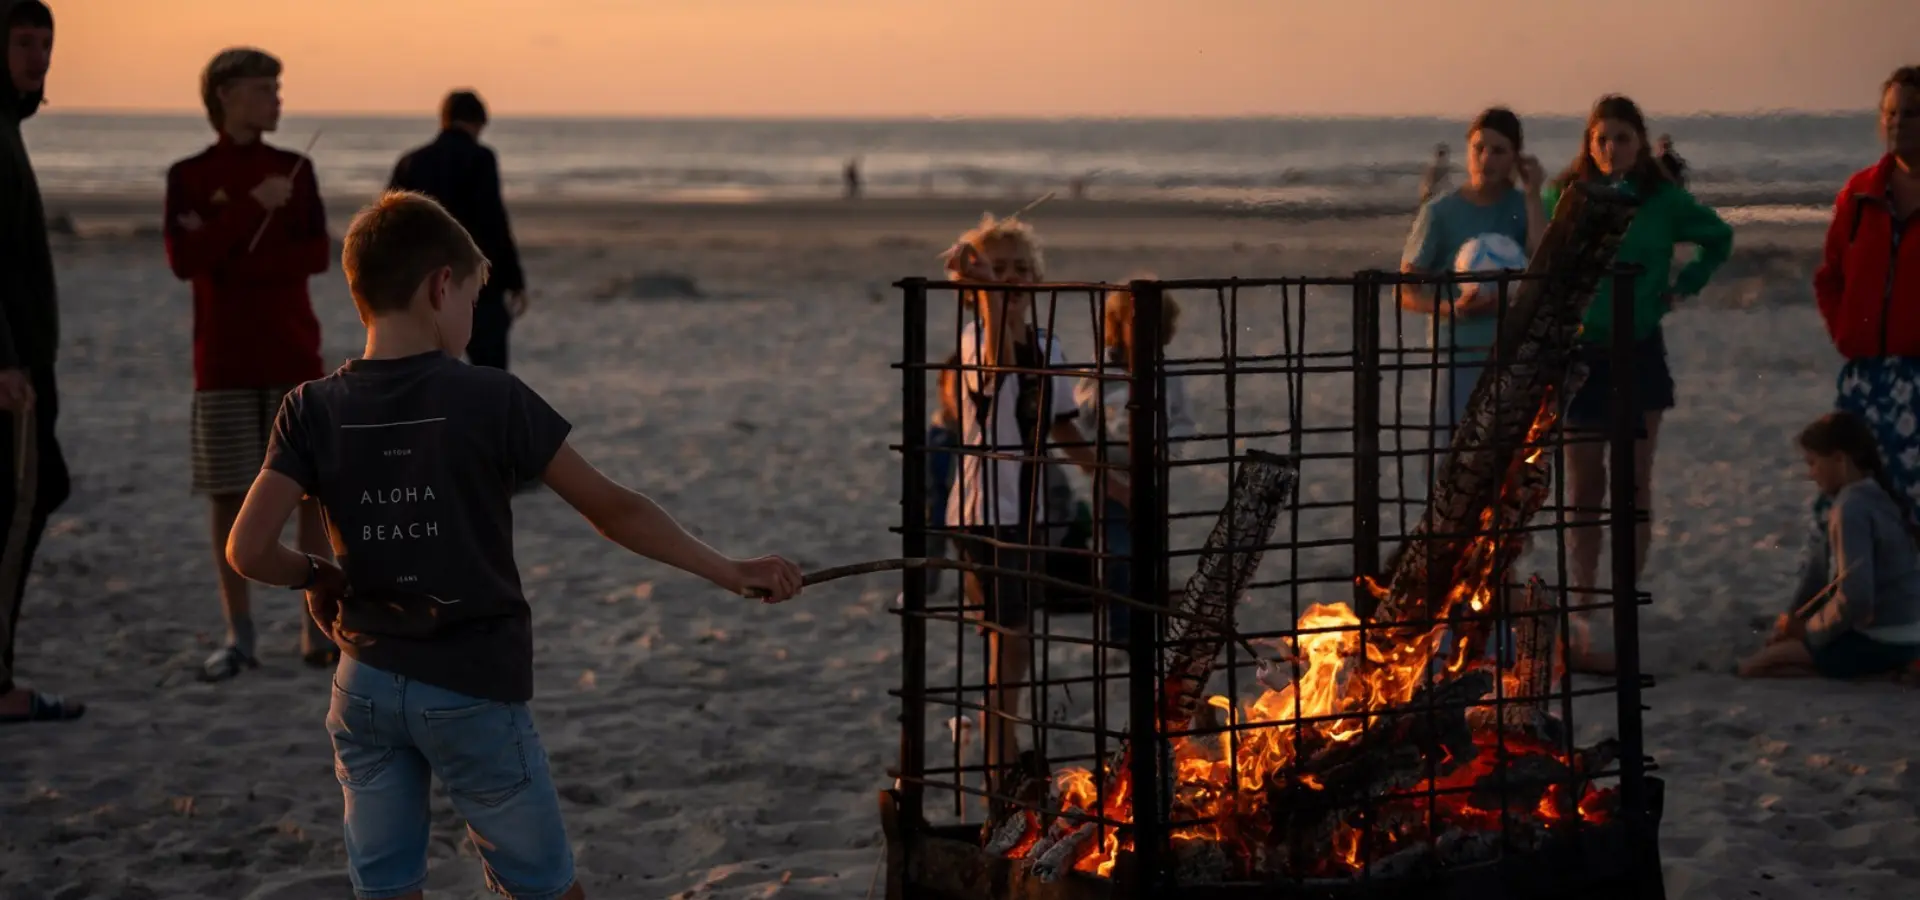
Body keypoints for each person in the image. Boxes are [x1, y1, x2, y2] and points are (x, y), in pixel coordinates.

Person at [224, 190, 804, 900]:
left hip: (364, 686)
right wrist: (727, 568)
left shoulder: (309, 407)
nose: (473, 316)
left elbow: (248, 550)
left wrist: (318, 574)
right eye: (474, 298)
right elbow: (614, 510)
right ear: (441, 286)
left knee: (387, 886)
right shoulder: (492, 398)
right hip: (470, 684)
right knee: (543, 887)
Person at [1541, 95, 1733, 673]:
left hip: (1640, 347)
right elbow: (1542, 253)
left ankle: (1623, 595)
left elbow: (1718, 237)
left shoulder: (1662, 200)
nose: (1610, 148)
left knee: (1634, 483)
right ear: (1588, 142)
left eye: (1621, 138)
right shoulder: (1567, 194)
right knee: (1583, 487)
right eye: (1601, 138)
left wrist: (1685, 285)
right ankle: (1583, 601)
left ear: (1640, 143)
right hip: (1582, 350)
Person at [939, 213, 1124, 808]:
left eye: (1021, 269)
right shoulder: (974, 340)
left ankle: (1002, 754)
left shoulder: (1049, 345)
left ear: (1038, 278)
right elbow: (998, 370)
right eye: (1000, 269)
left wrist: (1105, 477)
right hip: (982, 511)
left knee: (1014, 640)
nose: (1013, 278)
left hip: (1035, 509)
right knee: (1009, 637)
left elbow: (1061, 425)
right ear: (977, 284)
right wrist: (989, 298)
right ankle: (998, 764)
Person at [164, 47, 337, 680]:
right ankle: (239, 631)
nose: (276, 100)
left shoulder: (296, 168)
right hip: (223, 360)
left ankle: (317, 626)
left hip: (294, 352)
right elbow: (185, 260)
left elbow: (316, 255)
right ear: (226, 95)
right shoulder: (189, 175)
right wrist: (249, 209)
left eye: (277, 88)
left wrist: (233, 256)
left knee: (312, 493)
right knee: (228, 493)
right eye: (264, 88)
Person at [0, 0, 80, 725]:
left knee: (39, 488)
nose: (39, 57)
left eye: (46, 43)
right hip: (13, 366)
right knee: (19, 502)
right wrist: (5, 359)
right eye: (24, 42)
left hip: (28, 360)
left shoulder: (8, 126)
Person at [1398, 108, 1547, 451]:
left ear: (1515, 158)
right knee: (1451, 451)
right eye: (1479, 148)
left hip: (1513, 352)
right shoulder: (1440, 213)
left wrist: (1533, 193)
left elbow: (1543, 263)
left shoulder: (1521, 207)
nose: (1486, 159)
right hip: (1457, 353)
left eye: (1499, 151)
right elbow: (1405, 291)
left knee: (1507, 455)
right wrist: (1453, 308)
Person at [1738, 413, 1920, 679]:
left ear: (1839, 459)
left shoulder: (1851, 508)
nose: (1811, 474)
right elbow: (1824, 573)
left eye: (1813, 463)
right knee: (1790, 652)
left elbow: (1857, 597)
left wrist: (1811, 631)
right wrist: (1798, 619)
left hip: (1881, 640)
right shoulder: (1880, 496)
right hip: (1911, 634)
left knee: (1760, 664)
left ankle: (1879, 671)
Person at [1073, 283, 1197, 638]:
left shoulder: (1169, 375)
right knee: (1117, 553)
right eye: (1136, 321)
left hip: (1153, 477)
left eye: (1156, 322)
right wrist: (1097, 462)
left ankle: (1150, 623)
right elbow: (1080, 423)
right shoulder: (1099, 373)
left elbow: (1182, 421)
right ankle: (1121, 630)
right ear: (1116, 325)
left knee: (1151, 551)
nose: (1146, 331)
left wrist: (1167, 450)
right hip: (1111, 476)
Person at [389, 89, 526, 372]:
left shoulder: (411, 161)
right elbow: (494, 222)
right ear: (479, 122)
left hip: (422, 283)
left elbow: (389, 225)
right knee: (490, 376)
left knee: (425, 374)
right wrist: (515, 281)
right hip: (473, 281)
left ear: (444, 119)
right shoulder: (480, 158)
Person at [1418, 142, 1452, 206]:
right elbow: (1428, 186)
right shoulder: (1434, 168)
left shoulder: (1443, 168)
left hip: (1436, 198)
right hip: (1432, 198)